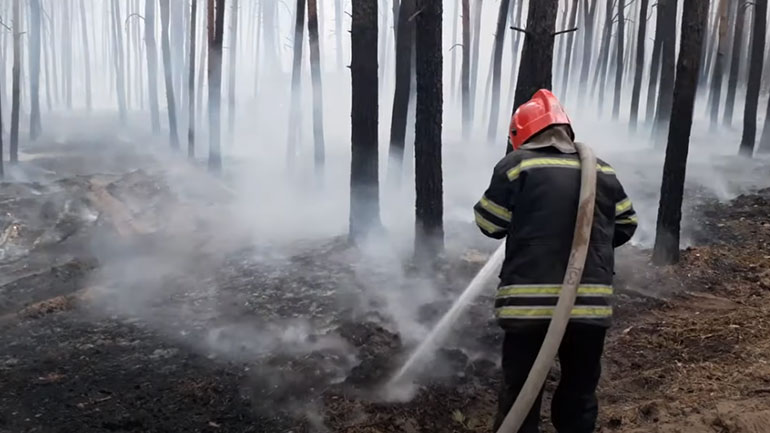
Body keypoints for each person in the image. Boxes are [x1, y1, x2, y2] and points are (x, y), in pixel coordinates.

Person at [473, 89, 637, 433]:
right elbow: (626, 225)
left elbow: (490, 224)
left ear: (521, 134)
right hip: (589, 308)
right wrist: (589, 244)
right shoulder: (603, 171)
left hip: (528, 310)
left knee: (521, 394)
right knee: (579, 394)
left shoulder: (517, 166)